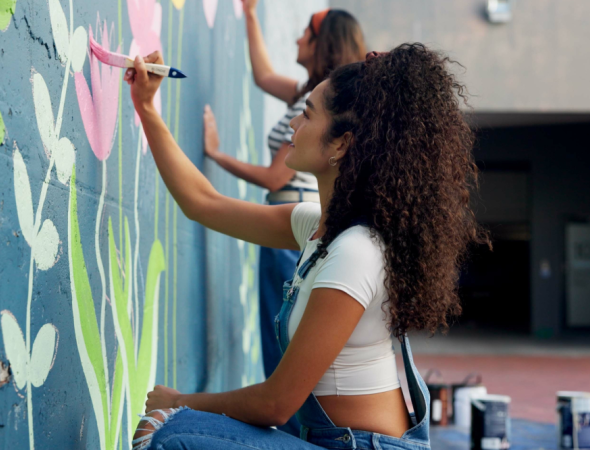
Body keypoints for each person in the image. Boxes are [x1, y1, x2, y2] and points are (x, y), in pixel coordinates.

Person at [125, 43, 487, 450]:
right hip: (330, 441)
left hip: (359, 447)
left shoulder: (356, 252)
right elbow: (204, 204)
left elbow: (276, 403)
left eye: (308, 113)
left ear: (340, 145)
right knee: (167, 427)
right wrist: (147, 108)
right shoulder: (320, 227)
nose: (294, 123)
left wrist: (177, 401)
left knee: (168, 433)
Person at [203, 4, 366, 434]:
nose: (296, 39)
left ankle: (288, 440)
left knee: (281, 363)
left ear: (321, 42)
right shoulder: (307, 95)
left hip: (292, 231)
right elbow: (261, 75)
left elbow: (277, 175)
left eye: (304, 33)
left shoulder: (319, 106)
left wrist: (218, 156)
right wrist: (251, 15)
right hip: (293, 225)